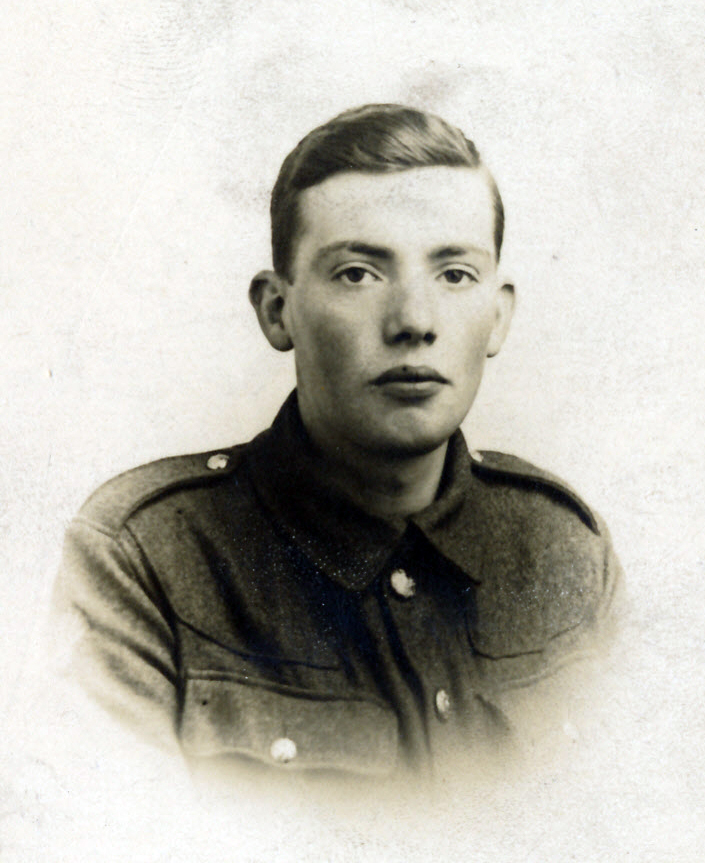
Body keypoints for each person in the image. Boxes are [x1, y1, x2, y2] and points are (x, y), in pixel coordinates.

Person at [54, 104, 622, 781]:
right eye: (358, 273)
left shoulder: (565, 550)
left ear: (497, 317)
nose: (414, 321)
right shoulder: (145, 557)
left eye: (454, 274)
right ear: (277, 310)